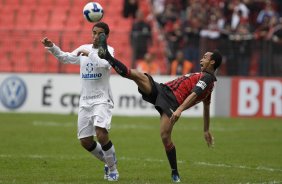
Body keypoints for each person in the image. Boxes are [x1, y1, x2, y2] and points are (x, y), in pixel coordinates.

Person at [78, 33, 222, 183]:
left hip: (172, 103)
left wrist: (180, 109)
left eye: (205, 57)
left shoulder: (207, 79)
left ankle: (174, 172)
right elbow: (206, 106)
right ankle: (107, 56)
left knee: (165, 137)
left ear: (212, 62)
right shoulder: (208, 82)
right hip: (163, 90)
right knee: (135, 75)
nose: (201, 59)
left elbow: (194, 94)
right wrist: (206, 130)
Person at [41, 22, 119, 181]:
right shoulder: (84, 47)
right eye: (94, 33)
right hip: (85, 101)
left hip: (102, 99)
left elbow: (104, 65)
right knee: (85, 141)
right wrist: (52, 47)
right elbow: (66, 58)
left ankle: (113, 170)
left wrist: (89, 54)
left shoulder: (109, 51)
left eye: (100, 34)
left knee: (101, 134)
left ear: (106, 36)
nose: (96, 36)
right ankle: (109, 160)